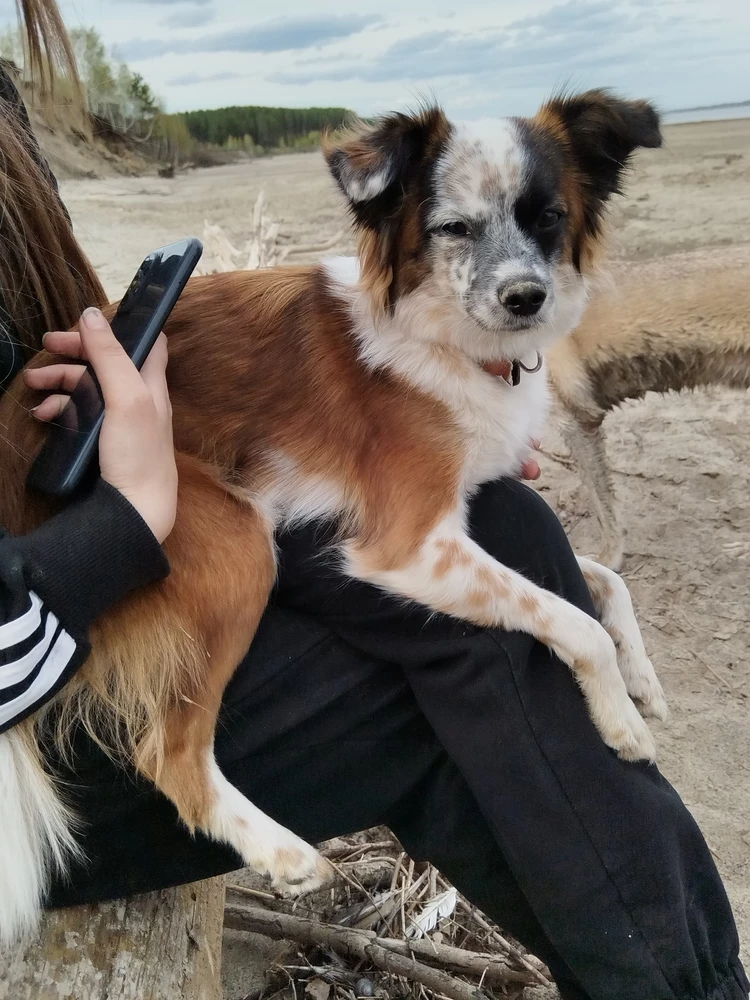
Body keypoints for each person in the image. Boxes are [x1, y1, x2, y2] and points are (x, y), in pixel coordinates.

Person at [0, 4, 747, 998]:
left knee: (508, 528)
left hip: (71, 537)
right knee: (483, 671)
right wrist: (128, 515)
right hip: (46, 684)